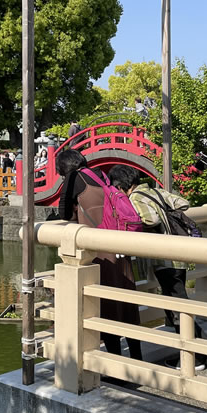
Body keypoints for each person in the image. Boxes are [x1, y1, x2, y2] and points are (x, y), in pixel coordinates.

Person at [109, 165, 207, 371]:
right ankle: (202, 349)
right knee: (178, 301)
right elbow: (183, 203)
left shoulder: (135, 198)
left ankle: (196, 357)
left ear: (122, 185)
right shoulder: (154, 191)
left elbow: (150, 219)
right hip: (179, 252)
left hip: (164, 258)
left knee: (177, 305)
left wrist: (139, 221)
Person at [56, 149, 143, 361]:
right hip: (120, 246)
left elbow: (63, 213)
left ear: (65, 167)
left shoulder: (75, 178)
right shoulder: (102, 174)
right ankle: (136, 359)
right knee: (127, 304)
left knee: (107, 306)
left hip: (99, 253)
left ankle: (115, 364)